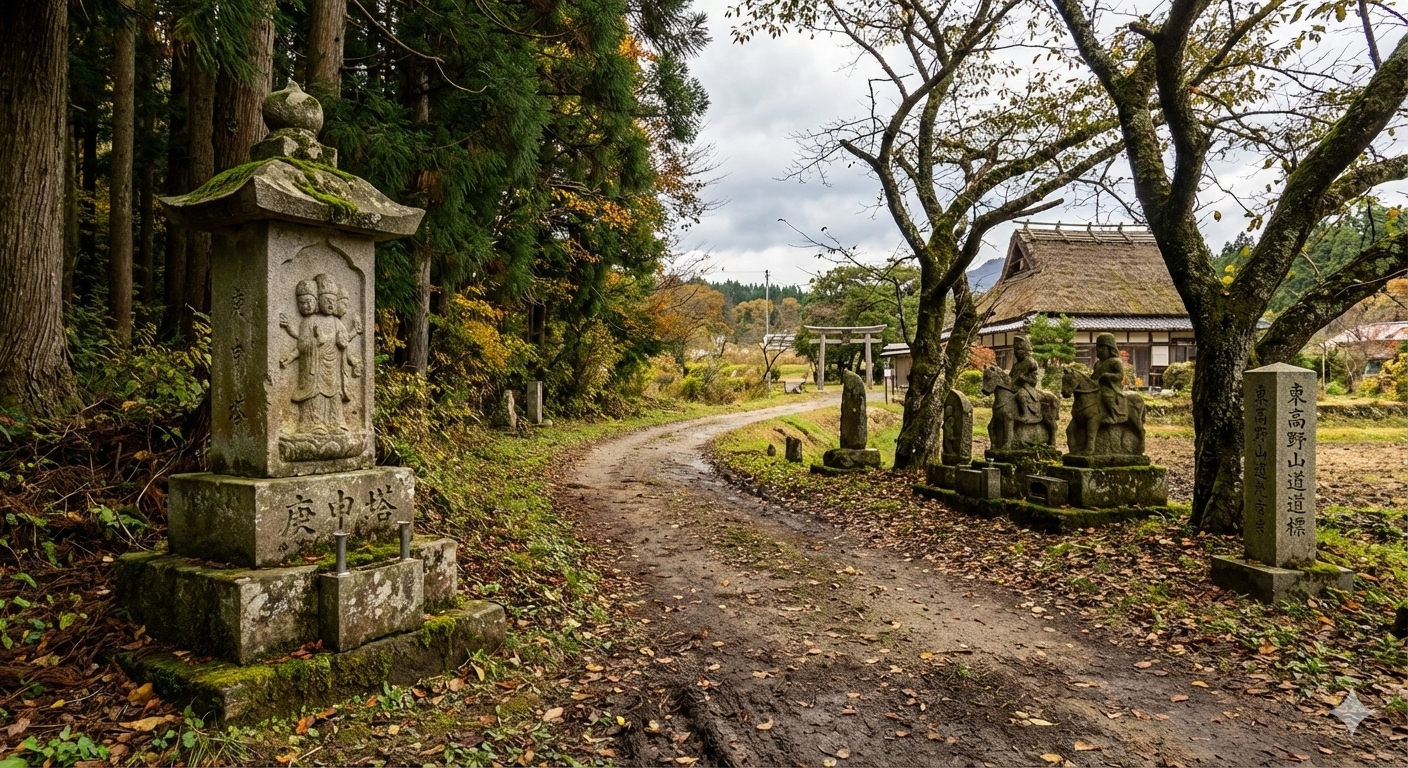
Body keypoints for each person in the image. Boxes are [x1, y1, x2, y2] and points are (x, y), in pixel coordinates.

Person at [1092, 333, 1129, 423]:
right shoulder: (1098, 363)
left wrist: (1108, 376)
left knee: (1106, 396)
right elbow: (1094, 375)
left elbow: (1120, 376)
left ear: (1110, 349)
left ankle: (1114, 415)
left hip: (1111, 387)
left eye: (1102, 348)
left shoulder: (1115, 362)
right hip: (1097, 386)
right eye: (1098, 348)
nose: (1099, 351)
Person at [1008, 336, 1042, 422]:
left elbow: (1021, 377)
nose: (1016, 352)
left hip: (1027, 386)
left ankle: (1026, 414)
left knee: (1021, 394)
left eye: (1019, 349)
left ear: (1026, 350)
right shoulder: (1016, 364)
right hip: (1016, 385)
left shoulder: (1029, 361)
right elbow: (1011, 376)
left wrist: (1022, 379)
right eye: (1015, 349)